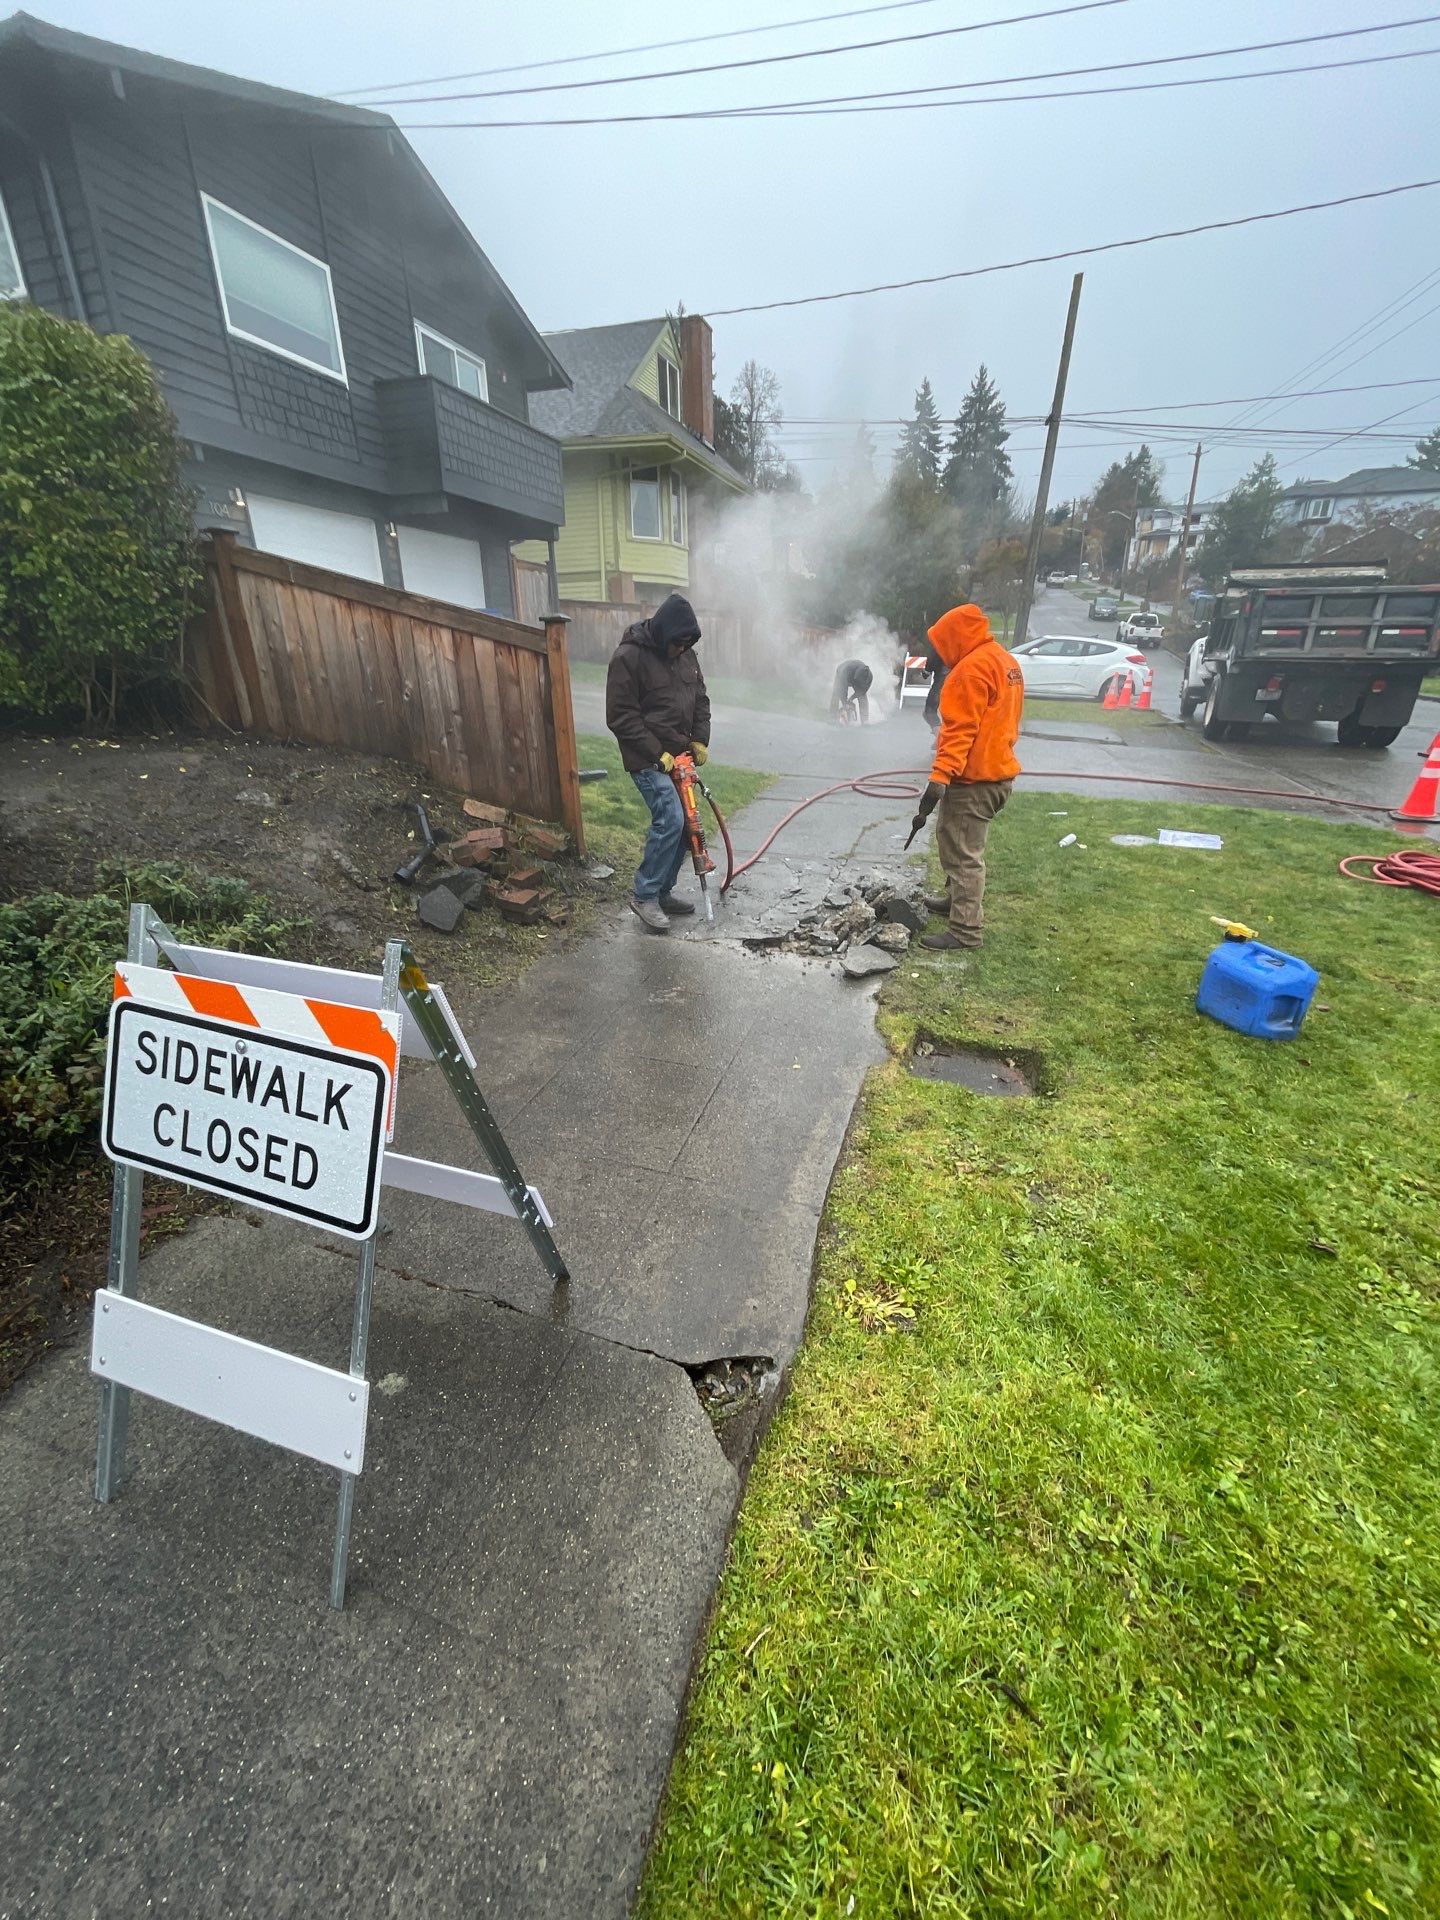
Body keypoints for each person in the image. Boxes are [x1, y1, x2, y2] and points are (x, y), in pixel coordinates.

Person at [908, 603, 1023, 952]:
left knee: (963, 854)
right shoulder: (1004, 661)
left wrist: (938, 778)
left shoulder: (968, 673)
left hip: (975, 781)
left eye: (942, 644)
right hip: (997, 774)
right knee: (954, 839)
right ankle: (954, 900)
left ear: (956, 637)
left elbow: (959, 732)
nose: (941, 652)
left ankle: (965, 930)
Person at [605, 592, 711, 933]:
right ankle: (645, 894)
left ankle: (663, 892)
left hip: (679, 758)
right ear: (664, 632)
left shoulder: (687, 656)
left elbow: (700, 699)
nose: (682, 650)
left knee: (687, 828)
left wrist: (699, 738)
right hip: (646, 759)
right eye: (677, 644)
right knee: (670, 816)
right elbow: (620, 716)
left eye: (687, 644)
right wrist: (655, 752)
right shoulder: (629, 657)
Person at [830, 657, 873, 724]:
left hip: (853, 674)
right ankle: (833, 716)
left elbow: (862, 692)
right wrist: (846, 703)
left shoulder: (869, 676)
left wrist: (851, 698)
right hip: (841, 672)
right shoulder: (844, 672)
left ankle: (865, 720)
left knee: (863, 697)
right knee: (836, 692)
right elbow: (842, 692)